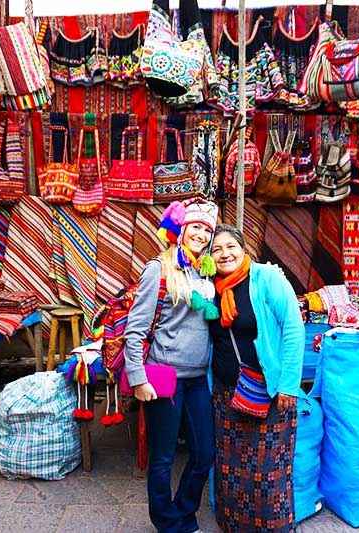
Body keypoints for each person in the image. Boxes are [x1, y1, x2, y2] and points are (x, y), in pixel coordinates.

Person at [123, 198, 220, 533]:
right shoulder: (159, 269)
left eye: (207, 230)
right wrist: (137, 377)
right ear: (181, 229)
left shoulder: (207, 274)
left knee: (204, 452)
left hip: (196, 380)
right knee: (163, 457)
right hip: (164, 376)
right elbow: (135, 328)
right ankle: (167, 523)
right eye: (195, 227)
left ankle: (184, 510)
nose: (201, 235)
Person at [208, 224, 305, 533]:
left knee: (267, 471)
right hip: (227, 393)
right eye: (216, 249)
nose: (224, 254)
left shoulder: (267, 278)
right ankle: (235, 526)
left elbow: (293, 327)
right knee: (231, 468)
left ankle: (273, 528)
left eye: (230, 246)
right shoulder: (211, 288)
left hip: (269, 391)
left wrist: (289, 384)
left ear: (243, 248)